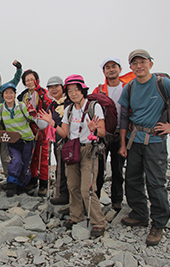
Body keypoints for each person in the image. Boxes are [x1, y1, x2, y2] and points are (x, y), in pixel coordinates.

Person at [118, 49, 170, 246]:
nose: (139, 66)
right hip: (135, 140)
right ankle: (140, 214)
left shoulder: (162, 83)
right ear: (131, 67)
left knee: (155, 183)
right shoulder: (130, 87)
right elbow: (124, 117)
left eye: (142, 62)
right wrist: (123, 144)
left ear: (150, 64)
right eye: (135, 63)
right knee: (133, 180)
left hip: (155, 142)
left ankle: (158, 223)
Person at [39, 74, 107, 238]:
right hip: (72, 150)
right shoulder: (69, 110)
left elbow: (103, 132)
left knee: (87, 189)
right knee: (72, 186)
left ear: (83, 90)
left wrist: (94, 129)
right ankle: (76, 217)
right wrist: (52, 123)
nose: (73, 93)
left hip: (89, 150)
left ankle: (98, 222)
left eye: (76, 90)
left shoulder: (94, 107)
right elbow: (64, 132)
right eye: (70, 91)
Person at [92, 57, 135, 211]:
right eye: (107, 67)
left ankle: (117, 200)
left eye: (113, 66)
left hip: (123, 134)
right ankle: (94, 199)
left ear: (120, 69)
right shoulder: (99, 90)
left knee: (118, 168)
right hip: (104, 135)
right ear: (103, 71)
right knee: (99, 169)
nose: (111, 69)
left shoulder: (129, 87)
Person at [0, 82, 48, 197]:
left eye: (11, 92)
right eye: (6, 93)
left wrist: (39, 119)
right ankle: (11, 185)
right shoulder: (1, 108)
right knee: (16, 161)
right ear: (3, 95)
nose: (9, 95)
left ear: (15, 94)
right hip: (13, 142)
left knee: (25, 164)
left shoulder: (22, 106)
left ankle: (21, 185)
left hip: (27, 140)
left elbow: (35, 120)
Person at [18, 70, 51, 196]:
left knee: (42, 154)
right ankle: (33, 179)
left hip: (42, 127)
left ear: (37, 80)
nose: (30, 82)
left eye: (32, 79)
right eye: (27, 80)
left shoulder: (43, 93)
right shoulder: (23, 96)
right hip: (29, 127)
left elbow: (48, 105)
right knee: (31, 155)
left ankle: (44, 182)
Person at [46, 76, 70, 205]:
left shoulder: (70, 102)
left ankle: (72, 195)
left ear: (62, 87)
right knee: (60, 166)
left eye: (56, 86)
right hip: (58, 141)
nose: (53, 89)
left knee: (71, 168)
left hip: (71, 140)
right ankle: (63, 194)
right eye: (50, 87)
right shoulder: (52, 105)